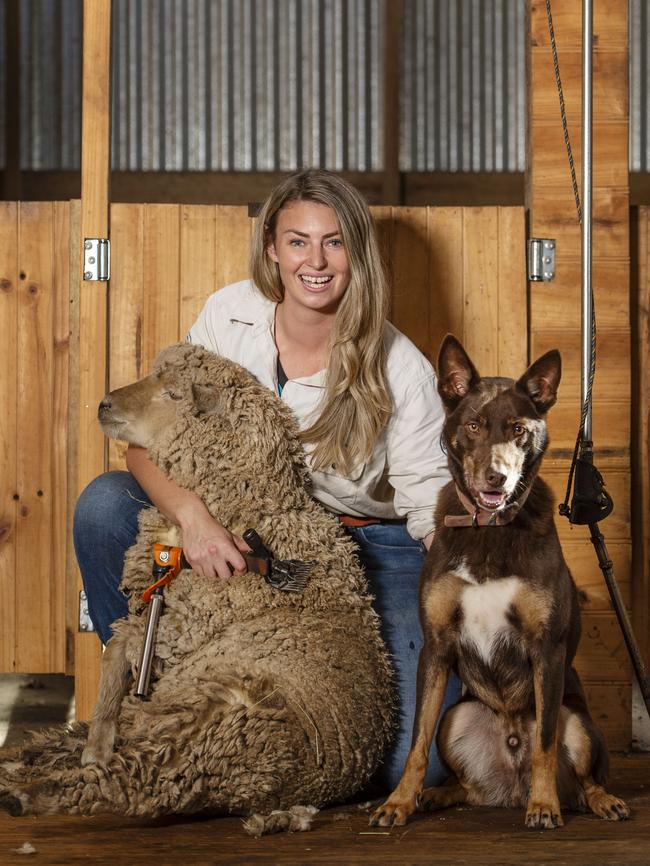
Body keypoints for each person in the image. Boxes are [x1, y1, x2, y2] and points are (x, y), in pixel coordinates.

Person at [74, 168, 461, 791]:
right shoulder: (228, 317)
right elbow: (146, 443)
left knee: (411, 764)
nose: (316, 260)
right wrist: (195, 520)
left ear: (357, 253)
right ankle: (147, 693)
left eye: (335, 242)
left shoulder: (399, 367)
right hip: (244, 525)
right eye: (299, 240)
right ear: (272, 249)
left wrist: (491, 581)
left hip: (365, 544)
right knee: (103, 506)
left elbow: (429, 511)